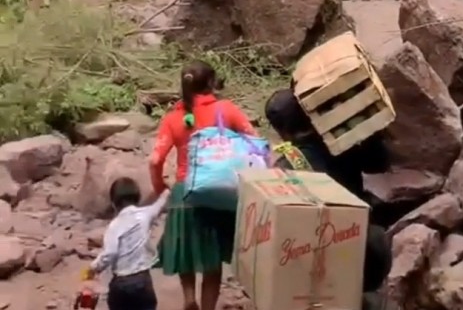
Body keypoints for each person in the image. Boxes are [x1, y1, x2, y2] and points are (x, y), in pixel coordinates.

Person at [264, 89, 393, 310]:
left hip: (318, 263)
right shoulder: (343, 143)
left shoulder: (287, 165)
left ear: (282, 131)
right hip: (363, 249)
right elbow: (381, 163)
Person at [150, 61, 258, 310]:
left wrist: (160, 188)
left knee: (185, 252)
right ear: (211, 82)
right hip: (217, 191)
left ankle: (189, 299)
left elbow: (155, 159)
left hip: (184, 191)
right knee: (212, 259)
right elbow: (252, 138)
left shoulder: (174, 118)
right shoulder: (226, 110)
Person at [83, 178, 169, 310]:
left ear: (113, 203)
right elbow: (159, 204)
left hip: (121, 283)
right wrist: (166, 191)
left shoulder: (114, 225)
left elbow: (110, 253)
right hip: (142, 280)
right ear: (138, 197)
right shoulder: (145, 215)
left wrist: (93, 268)